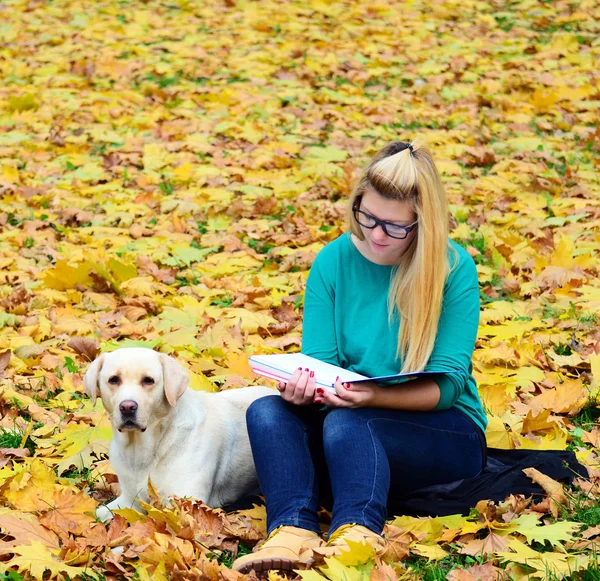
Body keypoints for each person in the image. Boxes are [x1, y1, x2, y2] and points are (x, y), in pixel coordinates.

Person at [232, 140, 488, 574]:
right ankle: (291, 531)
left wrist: (368, 398)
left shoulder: (452, 268)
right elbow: (321, 364)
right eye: (366, 217)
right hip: (345, 416)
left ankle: (357, 534)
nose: (375, 234)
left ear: (422, 225)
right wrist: (304, 390)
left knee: (351, 421)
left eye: (394, 227)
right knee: (266, 412)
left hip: (444, 433)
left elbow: (446, 388)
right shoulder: (333, 260)